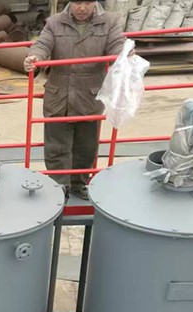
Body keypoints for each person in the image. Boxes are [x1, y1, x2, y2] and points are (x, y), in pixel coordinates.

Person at [23, 1, 126, 200]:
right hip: (58, 93)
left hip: (89, 95)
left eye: (87, 2)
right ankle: (59, 186)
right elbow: (42, 44)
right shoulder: (54, 22)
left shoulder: (109, 22)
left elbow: (117, 44)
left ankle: (79, 184)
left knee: (86, 147)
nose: (82, 8)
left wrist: (124, 53)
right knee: (56, 146)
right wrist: (34, 57)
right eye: (77, 2)